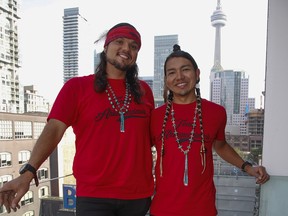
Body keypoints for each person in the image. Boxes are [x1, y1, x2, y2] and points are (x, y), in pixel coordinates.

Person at [0, 22, 155, 216]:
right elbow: (54, 130)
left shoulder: (144, 92)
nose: (126, 49)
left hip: (138, 196)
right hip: (94, 197)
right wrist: (29, 172)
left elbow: (153, 138)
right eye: (120, 41)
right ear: (106, 47)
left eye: (134, 46)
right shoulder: (77, 87)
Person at [149, 44, 270, 216]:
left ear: (197, 74)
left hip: (202, 209)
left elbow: (220, 146)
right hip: (163, 209)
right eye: (172, 72)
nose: (179, 77)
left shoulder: (216, 112)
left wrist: (247, 167)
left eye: (185, 70)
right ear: (166, 80)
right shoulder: (154, 116)